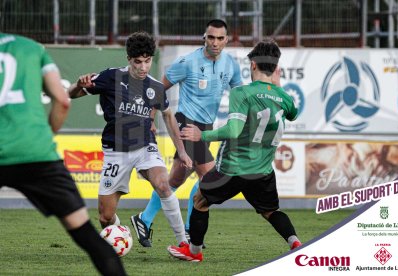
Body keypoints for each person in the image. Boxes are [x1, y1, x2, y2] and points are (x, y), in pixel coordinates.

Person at [0, 33, 126, 275]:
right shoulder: (32, 48)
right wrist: (45, 137)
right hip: (36, 152)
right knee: (86, 235)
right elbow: (63, 99)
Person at [167, 39, 302, 262]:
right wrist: (276, 87)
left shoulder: (242, 93)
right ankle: (295, 243)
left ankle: (193, 252)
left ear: (253, 66)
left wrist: (203, 135)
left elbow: (234, 129)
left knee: (201, 200)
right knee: (271, 212)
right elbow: (293, 113)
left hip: (234, 168)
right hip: (262, 171)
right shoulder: (284, 97)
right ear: (276, 68)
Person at [67, 31, 192, 248]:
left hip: (145, 146)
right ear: (128, 60)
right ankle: (122, 233)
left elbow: (169, 116)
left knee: (163, 185)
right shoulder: (111, 78)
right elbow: (71, 94)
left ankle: (183, 243)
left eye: (147, 61)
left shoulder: (155, 87)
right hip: (115, 152)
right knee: (105, 217)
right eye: (138, 62)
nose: (143, 67)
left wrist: (181, 151)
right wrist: (78, 85)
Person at [137, 19, 243, 247]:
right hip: (186, 124)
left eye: (220, 38)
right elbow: (158, 87)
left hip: (206, 128)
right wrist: (151, 117)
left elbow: (240, 94)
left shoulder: (231, 65)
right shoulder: (188, 62)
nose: (215, 42)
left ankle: (143, 219)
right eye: (211, 37)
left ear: (226, 40)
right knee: (210, 178)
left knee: (176, 178)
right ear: (204, 37)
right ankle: (189, 230)